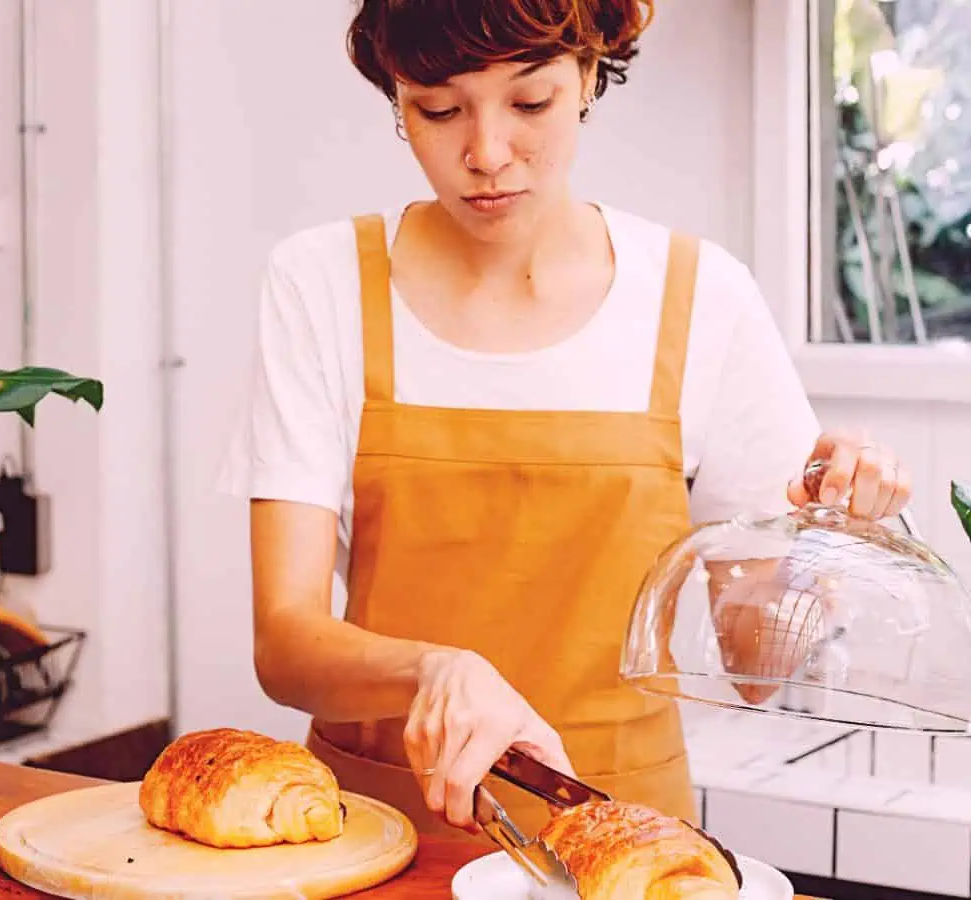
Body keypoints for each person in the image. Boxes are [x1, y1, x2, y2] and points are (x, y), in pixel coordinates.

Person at [217, 0, 913, 842]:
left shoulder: (700, 299)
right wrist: (436, 670)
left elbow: (756, 672)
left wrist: (819, 537)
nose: (486, 153)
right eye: (437, 109)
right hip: (379, 829)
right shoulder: (321, 283)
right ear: (398, 98)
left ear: (588, 74)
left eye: (530, 102)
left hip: (619, 834)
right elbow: (284, 646)